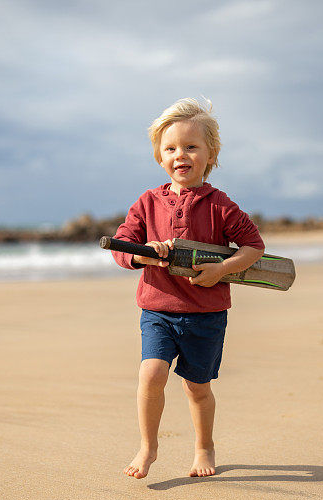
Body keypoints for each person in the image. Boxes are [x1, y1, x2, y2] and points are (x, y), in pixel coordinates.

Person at [110, 97, 265, 479]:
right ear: (160, 156)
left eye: (191, 146)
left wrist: (221, 270)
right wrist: (145, 255)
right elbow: (122, 246)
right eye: (171, 148)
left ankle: (204, 446)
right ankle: (148, 447)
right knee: (151, 375)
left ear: (210, 154)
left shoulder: (220, 205)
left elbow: (254, 247)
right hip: (157, 310)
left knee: (197, 389)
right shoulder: (147, 203)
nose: (181, 154)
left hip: (206, 316)